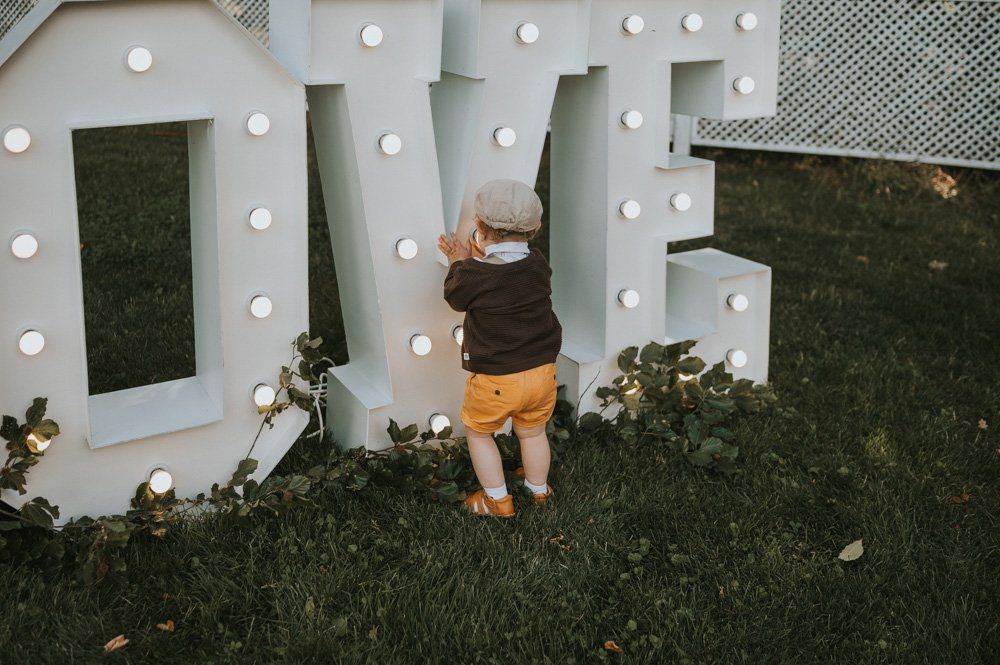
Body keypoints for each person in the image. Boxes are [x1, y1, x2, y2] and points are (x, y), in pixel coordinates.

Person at [437, 179, 563, 518]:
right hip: (542, 372)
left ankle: (497, 501)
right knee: (533, 431)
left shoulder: (474, 276)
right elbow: (509, 276)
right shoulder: (538, 265)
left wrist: (459, 261)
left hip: (497, 377)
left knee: (479, 433)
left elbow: (455, 296)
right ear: (536, 228)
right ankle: (538, 490)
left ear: (479, 227)